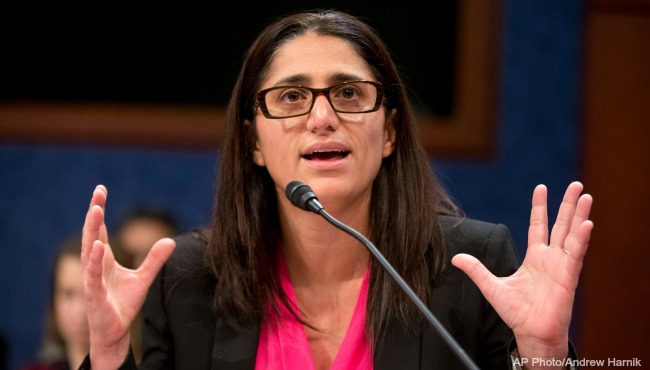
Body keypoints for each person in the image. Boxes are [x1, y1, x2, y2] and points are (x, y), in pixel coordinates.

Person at [79, 9, 593, 370]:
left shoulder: (471, 268)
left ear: (390, 131)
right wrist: (106, 354)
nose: (322, 117)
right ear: (253, 140)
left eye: (349, 93)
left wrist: (544, 353)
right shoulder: (191, 280)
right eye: (292, 96)